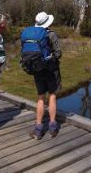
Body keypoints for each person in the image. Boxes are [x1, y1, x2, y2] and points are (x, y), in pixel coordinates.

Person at [30, 12, 62, 140]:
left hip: (37, 70)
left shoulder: (32, 34)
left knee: (41, 97)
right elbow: (58, 53)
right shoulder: (51, 34)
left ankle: (38, 129)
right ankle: (52, 128)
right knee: (52, 96)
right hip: (51, 70)